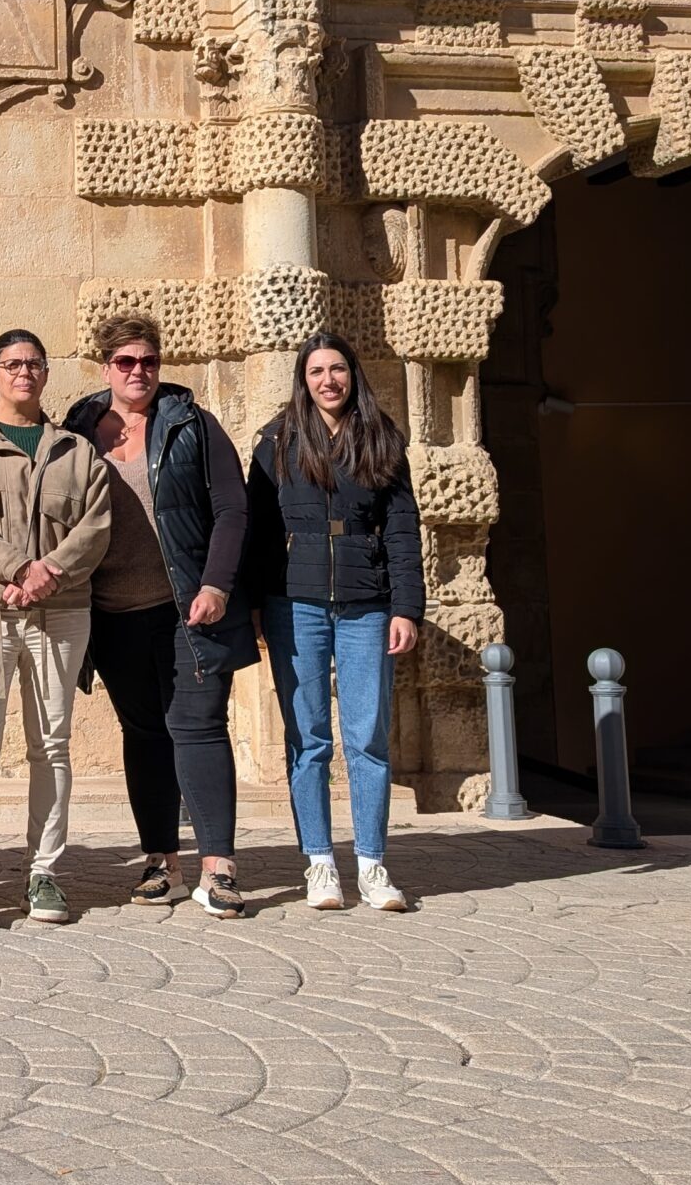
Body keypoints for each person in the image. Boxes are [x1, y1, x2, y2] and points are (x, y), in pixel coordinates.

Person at [62, 312, 257, 919]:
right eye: (126, 361)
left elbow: (232, 510)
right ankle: (162, 863)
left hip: (186, 606)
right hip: (112, 612)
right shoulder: (78, 428)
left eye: (148, 360)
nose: (138, 371)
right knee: (143, 732)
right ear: (106, 368)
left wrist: (217, 584)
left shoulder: (192, 424)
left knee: (198, 726)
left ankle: (218, 868)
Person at [0, 328, 112, 930]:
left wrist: (46, 574)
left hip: (59, 611)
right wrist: (18, 569)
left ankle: (44, 873)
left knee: (52, 745)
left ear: (45, 374)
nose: (23, 373)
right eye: (11, 364)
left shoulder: (75, 450)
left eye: (33, 363)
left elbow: (95, 527)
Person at [248, 331, 423, 914]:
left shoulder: (382, 438)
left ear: (353, 375)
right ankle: (320, 861)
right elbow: (258, 531)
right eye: (317, 371)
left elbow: (402, 530)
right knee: (309, 739)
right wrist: (253, 605)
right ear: (303, 380)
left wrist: (406, 608)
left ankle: (372, 863)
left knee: (368, 737)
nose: (329, 380)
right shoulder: (276, 441)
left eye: (338, 369)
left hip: (366, 605)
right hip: (293, 604)